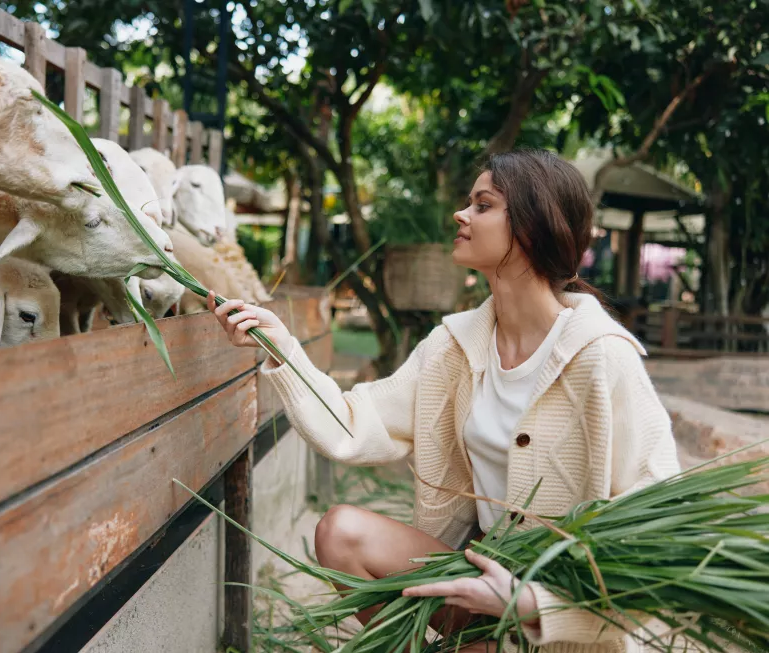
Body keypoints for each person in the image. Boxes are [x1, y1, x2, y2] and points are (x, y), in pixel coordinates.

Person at [207, 148, 680, 653]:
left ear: (530, 228)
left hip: (565, 616)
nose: (461, 214)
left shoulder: (602, 357)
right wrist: (283, 348)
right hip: (480, 588)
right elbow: (352, 422)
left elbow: (660, 533)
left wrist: (533, 603)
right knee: (341, 532)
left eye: (482, 205)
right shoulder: (455, 347)